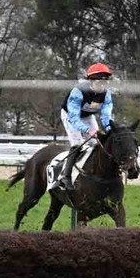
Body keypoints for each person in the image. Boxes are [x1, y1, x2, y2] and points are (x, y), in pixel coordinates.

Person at [56, 62, 115, 192]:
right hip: (70, 115)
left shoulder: (106, 94)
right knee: (77, 143)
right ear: (91, 81)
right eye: (100, 82)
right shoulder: (78, 92)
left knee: (96, 143)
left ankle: (92, 173)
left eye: (105, 82)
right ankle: (65, 176)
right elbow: (75, 119)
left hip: (88, 116)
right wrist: (88, 130)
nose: (102, 86)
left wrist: (111, 130)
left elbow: (106, 117)